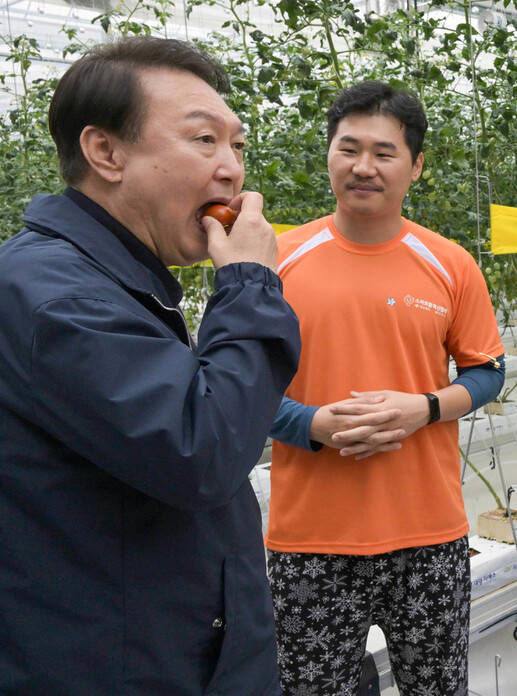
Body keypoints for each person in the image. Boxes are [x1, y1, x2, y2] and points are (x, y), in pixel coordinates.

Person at [0, 37, 301, 695]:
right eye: (203, 141)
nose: (231, 169)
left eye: (237, 146)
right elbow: (202, 449)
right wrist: (249, 283)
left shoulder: (110, 276)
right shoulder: (56, 294)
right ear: (105, 152)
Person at [267, 81, 505, 695]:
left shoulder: (449, 263)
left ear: (415, 166)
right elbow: (229, 388)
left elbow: (487, 372)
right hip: (311, 542)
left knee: (437, 687)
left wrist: (422, 408)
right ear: (328, 155)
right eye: (349, 149)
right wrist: (312, 425)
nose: (363, 167)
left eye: (384, 152)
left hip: (427, 535)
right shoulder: (275, 262)